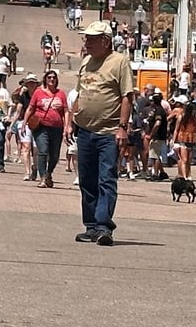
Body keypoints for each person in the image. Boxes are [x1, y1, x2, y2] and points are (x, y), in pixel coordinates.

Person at [66, 20, 133, 246]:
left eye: (92, 39)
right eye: (87, 38)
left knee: (106, 178)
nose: (88, 42)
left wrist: (123, 127)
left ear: (106, 41)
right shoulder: (86, 62)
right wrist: (71, 120)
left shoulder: (119, 62)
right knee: (87, 179)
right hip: (85, 130)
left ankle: (104, 226)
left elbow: (127, 96)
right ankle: (91, 226)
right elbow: (78, 93)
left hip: (109, 132)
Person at [24, 69, 67, 188]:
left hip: (57, 128)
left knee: (54, 155)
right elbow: (30, 108)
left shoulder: (61, 94)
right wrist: (24, 123)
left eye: (54, 77)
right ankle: (42, 177)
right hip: (41, 127)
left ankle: (48, 174)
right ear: (45, 80)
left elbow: (66, 111)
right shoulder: (38, 92)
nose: (52, 79)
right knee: (43, 151)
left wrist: (67, 126)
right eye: (49, 78)